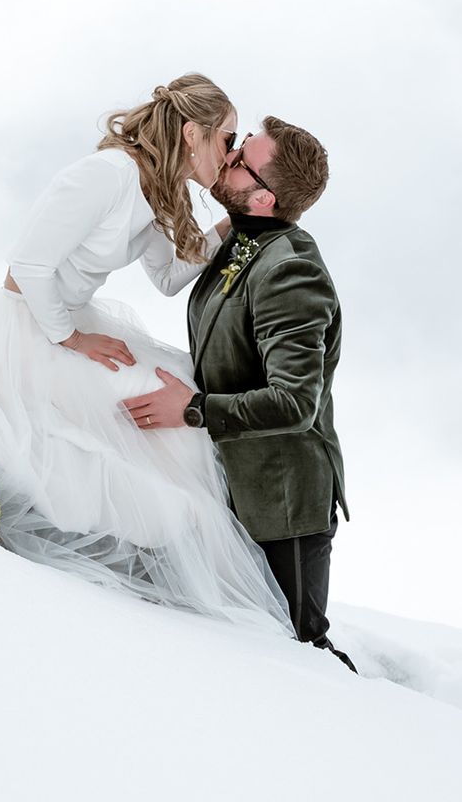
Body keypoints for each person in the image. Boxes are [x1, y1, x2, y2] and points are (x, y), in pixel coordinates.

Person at [0, 74, 295, 637]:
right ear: (192, 133)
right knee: (142, 412)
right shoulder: (107, 174)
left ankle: (170, 550)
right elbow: (27, 267)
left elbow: (172, 276)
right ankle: (147, 554)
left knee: (173, 381)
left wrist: (238, 219)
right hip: (27, 329)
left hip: (69, 324)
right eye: (227, 139)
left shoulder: (156, 189)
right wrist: (70, 339)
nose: (229, 154)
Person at [121, 116, 355, 670]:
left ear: (264, 197)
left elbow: (295, 403)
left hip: (282, 503)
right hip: (225, 480)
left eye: (239, 158)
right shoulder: (240, 239)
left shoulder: (290, 271)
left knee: (298, 655)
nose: (225, 156)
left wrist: (193, 409)